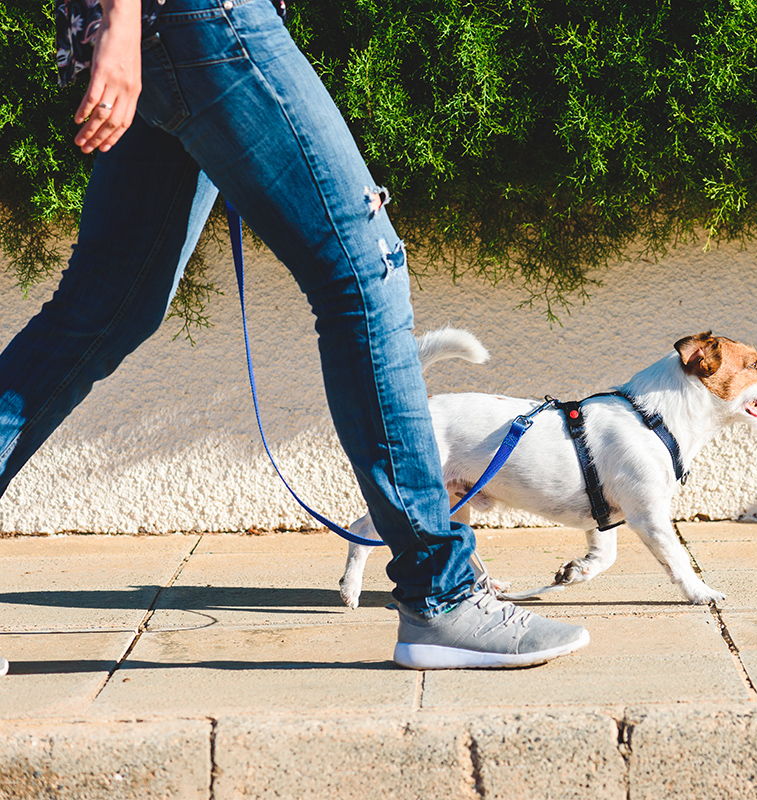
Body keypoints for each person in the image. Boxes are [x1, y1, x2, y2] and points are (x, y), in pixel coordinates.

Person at [0, 0, 588, 669]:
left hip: (174, 30)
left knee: (105, 309)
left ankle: (441, 590)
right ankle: (441, 595)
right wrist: (124, 19)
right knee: (365, 274)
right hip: (203, 18)